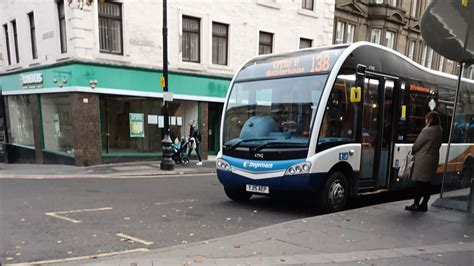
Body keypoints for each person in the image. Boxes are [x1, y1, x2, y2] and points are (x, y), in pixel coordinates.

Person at [405, 111, 442, 212]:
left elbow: (417, 145)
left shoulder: (427, 130)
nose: (425, 120)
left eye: (427, 118)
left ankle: (416, 204)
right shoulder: (439, 130)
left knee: (419, 183)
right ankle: (424, 204)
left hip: (423, 161)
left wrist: (413, 150)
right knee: (427, 184)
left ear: (430, 119)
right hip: (433, 160)